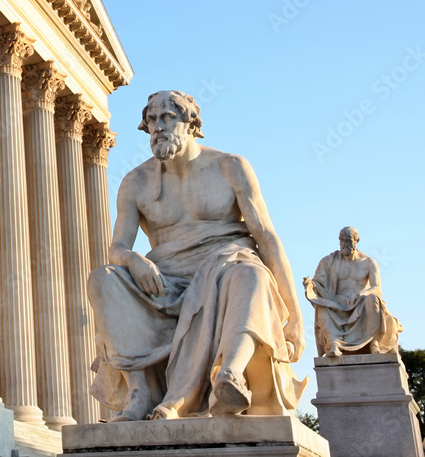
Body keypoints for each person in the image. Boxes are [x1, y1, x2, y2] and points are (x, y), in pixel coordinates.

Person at [87, 90, 306, 421]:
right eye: (151, 120)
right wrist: (134, 260)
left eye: (167, 117)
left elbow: (266, 237)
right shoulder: (135, 182)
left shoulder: (229, 166)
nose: (157, 127)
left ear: (191, 123)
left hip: (227, 265)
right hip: (165, 281)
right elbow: (118, 247)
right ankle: (139, 392)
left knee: (249, 273)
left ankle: (228, 375)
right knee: (103, 279)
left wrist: (295, 314)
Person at [303, 226, 402, 357]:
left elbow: (377, 288)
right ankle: (334, 344)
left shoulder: (368, 263)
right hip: (338, 303)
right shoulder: (329, 261)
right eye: (342, 240)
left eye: (348, 240)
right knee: (323, 306)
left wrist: (364, 293)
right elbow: (320, 284)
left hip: (360, 302)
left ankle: (374, 343)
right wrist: (310, 285)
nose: (344, 244)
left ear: (356, 241)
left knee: (373, 299)